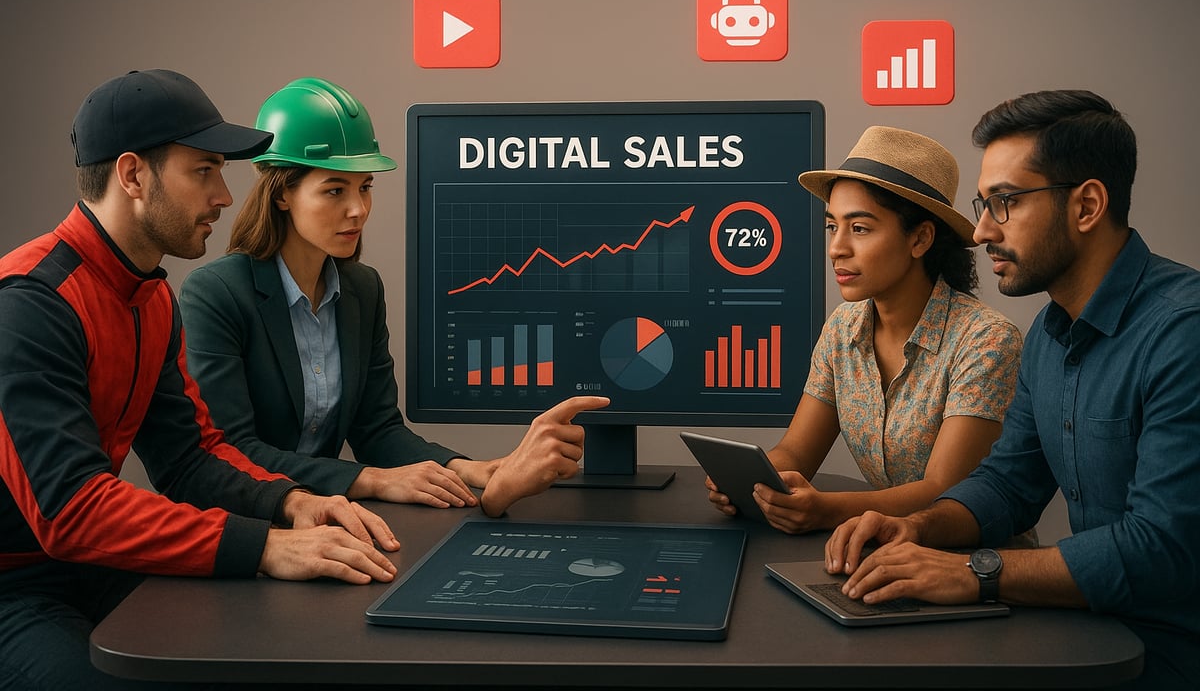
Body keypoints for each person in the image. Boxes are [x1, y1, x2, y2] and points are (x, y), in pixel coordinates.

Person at [0, 69, 406, 689]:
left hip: (88, 564)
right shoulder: (29, 303)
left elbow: (189, 458)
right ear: (133, 175)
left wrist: (294, 503)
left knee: (264, 641)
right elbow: (72, 511)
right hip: (15, 583)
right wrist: (266, 547)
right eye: (204, 171)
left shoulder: (152, 299)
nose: (224, 194)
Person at [825, 91, 1200, 689]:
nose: (978, 232)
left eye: (1005, 203)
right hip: (1090, 631)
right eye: (984, 204)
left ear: (1087, 206)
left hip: (1165, 652)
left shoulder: (1184, 332)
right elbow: (1007, 484)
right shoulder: (1051, 334)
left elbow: (1161, 551)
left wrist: (976, 570)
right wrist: (919, 529)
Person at [179, 77, 606, 519]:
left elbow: (377, 429)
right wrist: (372, 479)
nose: (358, 209)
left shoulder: (362, 289)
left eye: (365, 187)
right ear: (282, 193)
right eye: (334, 190)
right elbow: (232, 450)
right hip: (241, 522)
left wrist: (471, 469)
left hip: (330, 519)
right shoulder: (216, 293)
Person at [706, 126, 1023, 534]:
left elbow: (945, 490)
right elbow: (796, 451)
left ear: (921, 238)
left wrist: (827, 510)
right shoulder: (843, 327)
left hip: (973, 563)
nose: (837, 247)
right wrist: (756, 481)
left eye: (859, 228)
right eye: (832, 226)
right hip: (875, 551)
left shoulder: (986, 340)